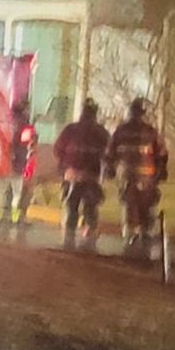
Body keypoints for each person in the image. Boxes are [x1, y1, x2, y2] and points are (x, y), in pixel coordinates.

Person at [104, 97, 168, 253]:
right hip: (148, 180)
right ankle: (145, 237)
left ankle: (130, 238)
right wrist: (161, 172)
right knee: (147, 210)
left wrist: (110, 170)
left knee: (130, 209)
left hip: (127, 179)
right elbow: (162, 155)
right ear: (143, 113)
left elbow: (109, 154)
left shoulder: (121, 131)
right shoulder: (151, 132)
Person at [53, 97, 110, 250]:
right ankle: (89, 239)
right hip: (91, 177)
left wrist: (64, 167)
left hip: (71, 176)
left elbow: (57, 150)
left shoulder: (70, 130)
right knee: (91, 208)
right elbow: (109, 154)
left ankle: (68, 239)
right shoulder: (101, 132)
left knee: (71, 207)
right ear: (95, 114)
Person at [0, 99, 36, 227]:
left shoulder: (4, 123)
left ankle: (1, 216)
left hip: (2, 163)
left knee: (3, 191)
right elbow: (26, 145)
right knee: (18, 192)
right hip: (18, 164)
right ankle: (17, 218)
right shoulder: (25, 127)